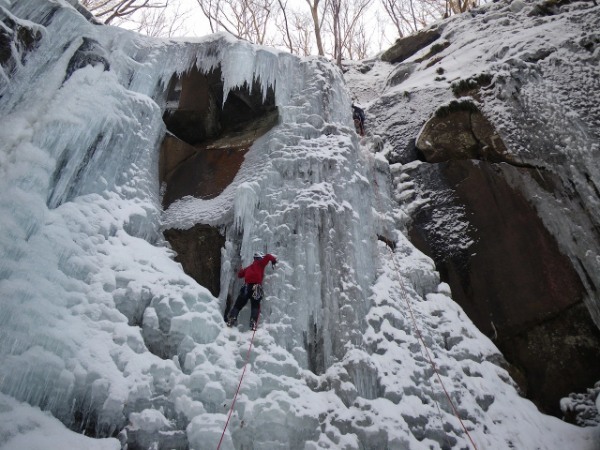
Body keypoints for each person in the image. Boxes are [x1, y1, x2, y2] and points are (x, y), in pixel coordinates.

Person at [227, 252, 277, 330]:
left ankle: (232, 318)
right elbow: (268, 256)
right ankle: (253, 323)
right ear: (259, 258)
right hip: (256, 287)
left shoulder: (248, 268)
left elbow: (240, 275)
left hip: (246, 288)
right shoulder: (261, 264)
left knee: (238, 304)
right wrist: (274, 261)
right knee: (255, 305)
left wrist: (241, 269)